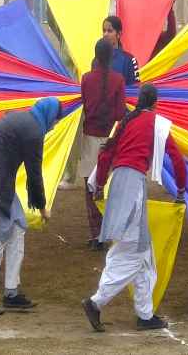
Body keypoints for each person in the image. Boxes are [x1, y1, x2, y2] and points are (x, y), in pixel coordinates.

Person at [82, 84, 187, 332]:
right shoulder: (156, 123)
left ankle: (145, 314)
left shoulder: (125, 122)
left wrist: (99, 184)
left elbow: (106, 153)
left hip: (119, 182)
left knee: (145, 254)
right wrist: (181, 190)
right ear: (156, 103)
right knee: (133, 251)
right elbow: (177, 158)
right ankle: (96, 302)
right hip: (133, 186)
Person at [0, 97, 60, 315]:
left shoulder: (22, 117)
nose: (54, 125)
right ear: (49, 115)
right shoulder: (33, 131)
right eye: (55, 120)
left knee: (17, 229)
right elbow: (34, 174)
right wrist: (43, 208)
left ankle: (11, 292)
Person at [73, 39, 126, 244]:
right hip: (111, 139)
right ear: (112, 56)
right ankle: (110, 230)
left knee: (90, 186)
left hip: (90, 137)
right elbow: (121, 112)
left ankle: (96, 233)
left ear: (95, 56)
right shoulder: (119, 80)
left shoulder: (86, 79)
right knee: (109, 185)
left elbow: (84, 106)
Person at [99, 16, 139, 85]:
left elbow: (134, 90)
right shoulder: (97, 59)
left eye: (110, 31)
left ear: (119, 34)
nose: (105, 34)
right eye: (104, 31)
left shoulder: (130, 60)